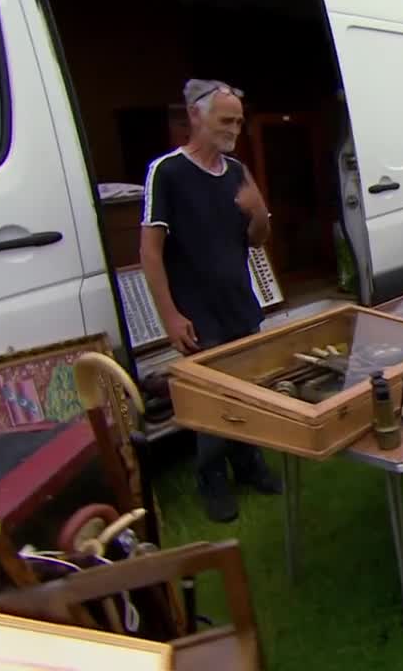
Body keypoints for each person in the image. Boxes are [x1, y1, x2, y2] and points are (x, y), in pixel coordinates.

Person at [140, 78, 282, 523]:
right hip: (197, 310)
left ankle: (249, 464)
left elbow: (258, 239)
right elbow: (150, 252)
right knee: (211, 398)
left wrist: (257, 212)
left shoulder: (238, 171)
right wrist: (169, 315)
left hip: (239, 302)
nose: (234, 130)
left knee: (246, 389)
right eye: (226, 121)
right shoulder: (168, 172)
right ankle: (212, 478)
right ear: (196, 116)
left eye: (238, 122)